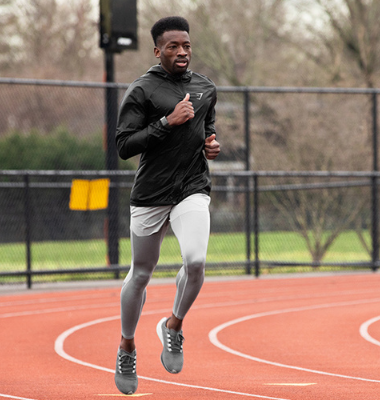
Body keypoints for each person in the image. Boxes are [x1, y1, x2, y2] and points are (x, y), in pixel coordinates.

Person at [113, 16, 220, 395]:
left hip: (192, 187)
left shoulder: (205, 87)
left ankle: (173, 325)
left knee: (196, 262)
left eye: (186, 46)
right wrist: (167, 122)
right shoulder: (142, 90)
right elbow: (124, 145)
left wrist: (210, 142)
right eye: (173, 46)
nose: (181, 52)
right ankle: (127, 346)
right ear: (158, 50)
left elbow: (207, 127)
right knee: (141, 273)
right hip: (151, 193)